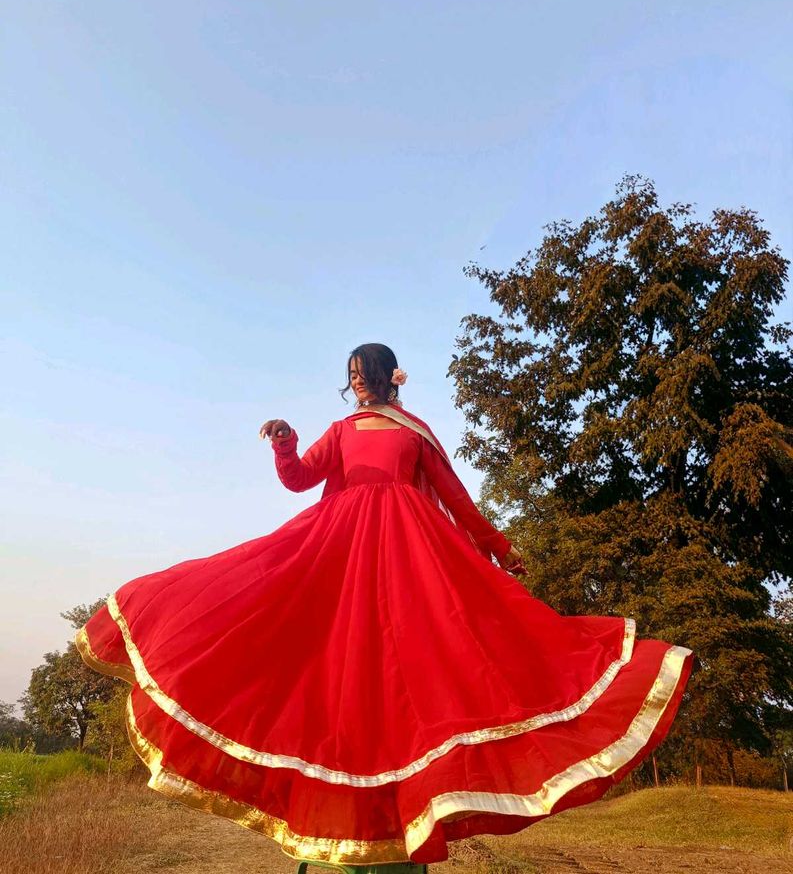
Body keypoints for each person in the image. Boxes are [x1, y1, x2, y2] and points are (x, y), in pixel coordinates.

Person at [75, 342, 694, 869]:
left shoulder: (416, 432)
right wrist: (285, 442)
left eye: (362, 377)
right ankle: (335, 823)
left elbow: (453, 494)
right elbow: (299, 480)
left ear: (386, 377)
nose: (355, 388)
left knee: (426, 662)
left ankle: (403, 819)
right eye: (349, 380)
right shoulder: (341, 432)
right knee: (322, 654)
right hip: (340, 549)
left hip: (412, 551)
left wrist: (496, 547)